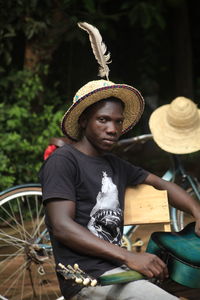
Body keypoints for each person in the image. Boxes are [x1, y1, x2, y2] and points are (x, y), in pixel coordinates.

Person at [39, 79, 200, 300]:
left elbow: (163, 184)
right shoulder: (64, 161)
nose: (113, 129)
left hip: (124, 271)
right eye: (103, 120)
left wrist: (197, 210)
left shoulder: (116, 165)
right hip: (89, 279)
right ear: (84, 120)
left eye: (118, 122)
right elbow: (62, 226)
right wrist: (128, 256)